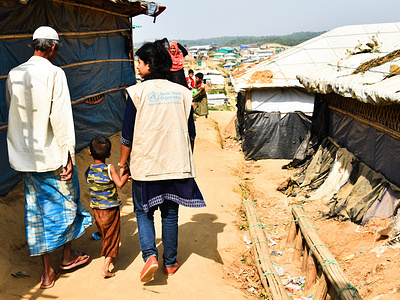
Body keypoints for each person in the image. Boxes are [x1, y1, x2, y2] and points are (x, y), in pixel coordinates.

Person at [6, 26, 92, 289]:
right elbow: (62, 118)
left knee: (37, 211)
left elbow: (13, 108)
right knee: (67, 203)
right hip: (53, 155)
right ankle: (67, 255)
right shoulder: (55, 73)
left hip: (25, 156)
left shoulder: (14, 73)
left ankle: (47, 273)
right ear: (53, 47)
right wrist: (68, 156)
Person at [119, 38, 205, 283]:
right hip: (176, 164)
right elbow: (191, 134)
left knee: (143, 211)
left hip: (146, 166)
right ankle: (170, 263)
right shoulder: (183, 93)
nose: (138, 66)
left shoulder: (136, 93)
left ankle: (150, 256)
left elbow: (127, 136)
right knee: (170, 213)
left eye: (140, 62)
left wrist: (123, 166)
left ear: (149, 65)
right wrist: (184, 158)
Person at [85, 136, 129, 278]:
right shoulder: (109, 168)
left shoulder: (88, 170)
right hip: (111, 208)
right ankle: (106, 266)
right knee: (113, 236)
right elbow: (119, 184)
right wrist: (126, 175)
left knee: (105, 232)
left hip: (96, 209)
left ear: (90, 152)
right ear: (109, 155)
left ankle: (109, 252)